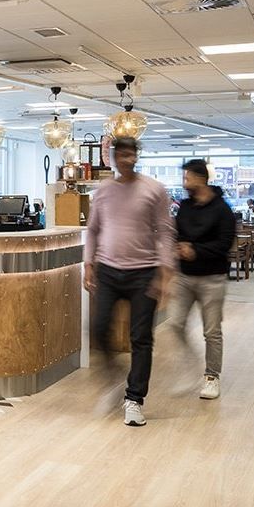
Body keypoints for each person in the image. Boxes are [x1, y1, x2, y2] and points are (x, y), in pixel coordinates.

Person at [85, 137, 175, 427]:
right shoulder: (103, 191)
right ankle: (113, 379)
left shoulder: (154, 189)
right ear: (113, 158)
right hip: (108, 271)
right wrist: (88, 264)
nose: (126, 160)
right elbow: (93, 229)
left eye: (130, 155)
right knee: (98, 330)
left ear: (136, 157)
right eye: (120, 155)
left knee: (141, 338)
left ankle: (134, 399)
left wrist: (165, 272)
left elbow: (165, 231)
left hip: (144, 272)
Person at [168, 159, 236, 400]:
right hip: (184, 276)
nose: (184, 183)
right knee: (175, 323)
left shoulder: (222, 209)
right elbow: (178, 233)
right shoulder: (185, 206)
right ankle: (191, 364)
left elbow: (224, 244)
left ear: (200, 178)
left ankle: (211, 376)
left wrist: (196, 250)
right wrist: (177, 247)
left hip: (213, 278)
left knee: (212, 331)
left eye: (187, 178)